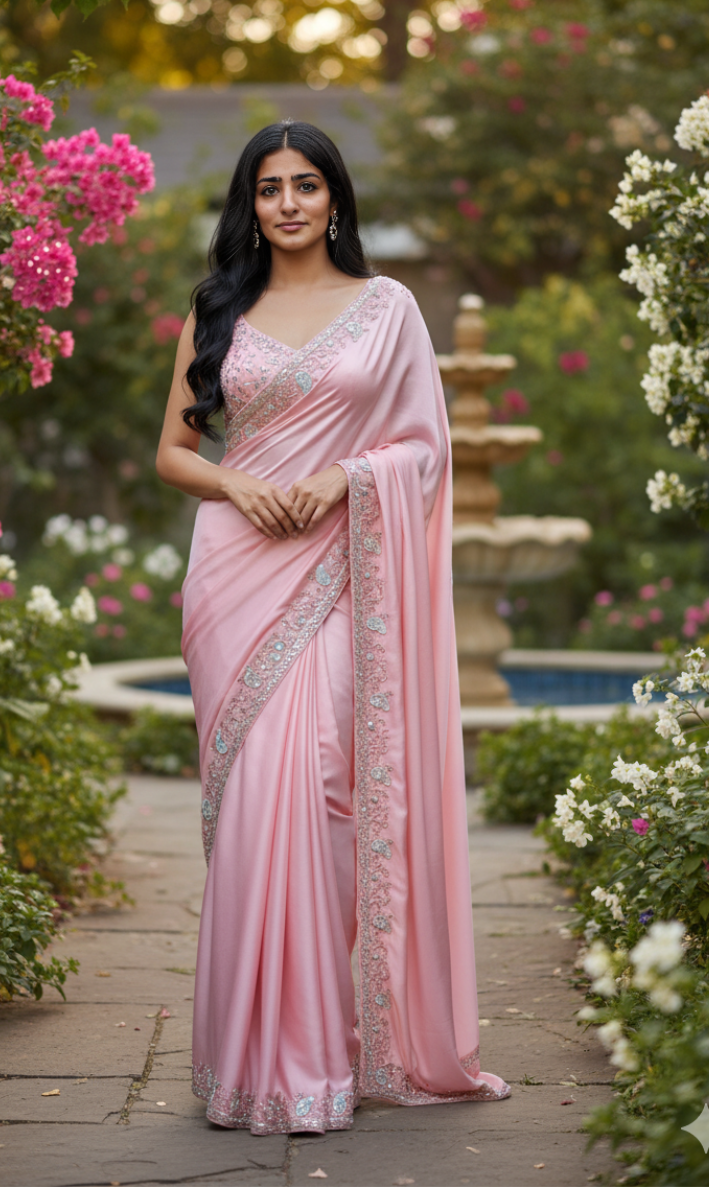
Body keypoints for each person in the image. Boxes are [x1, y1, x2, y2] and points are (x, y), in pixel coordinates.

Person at [155, 120, 511, 1136]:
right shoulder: (219, 305)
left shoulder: (386, 308)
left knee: (322, 792)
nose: (288, 203)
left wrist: (341, 479)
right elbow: (175, 453)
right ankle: (251, 1065)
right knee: (259, 796)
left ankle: (316, 1053)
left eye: (305, 184)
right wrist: (240, 481)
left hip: (339, 562)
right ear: (250, 205)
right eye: (268, 188)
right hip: (235, 569)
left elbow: (424, 449)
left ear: (334, 197)